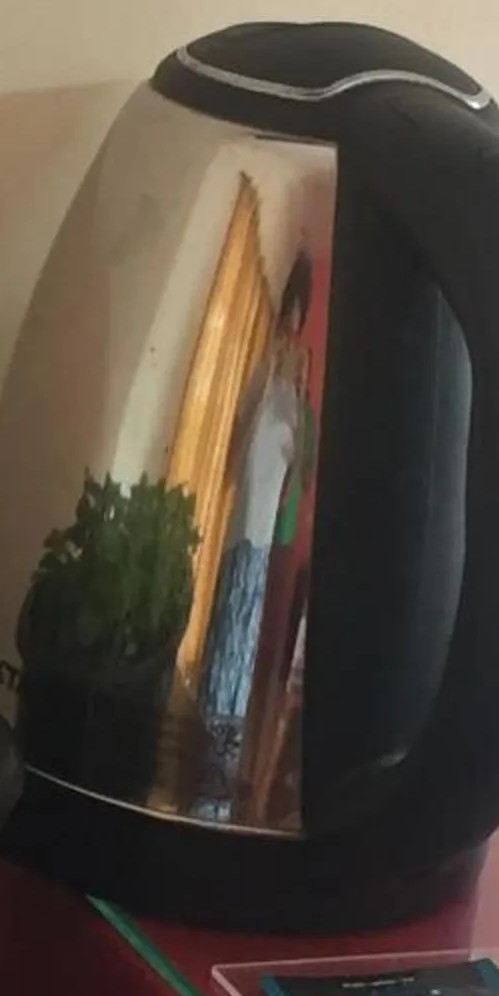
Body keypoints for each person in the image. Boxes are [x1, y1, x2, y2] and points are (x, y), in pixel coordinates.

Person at [195, 258, 315, 816]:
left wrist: (292, 388)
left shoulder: (300, 388)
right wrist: (267, 378)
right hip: (239, 523)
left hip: (269, 530)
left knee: (251, 635)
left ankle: (229, 757)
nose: (289, 328)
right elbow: (234, 446)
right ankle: (206, 746)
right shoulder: (259, 377)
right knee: (225, 625)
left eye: (296, 316)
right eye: (284, 316)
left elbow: (305, 466)